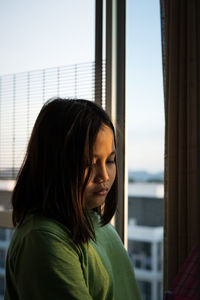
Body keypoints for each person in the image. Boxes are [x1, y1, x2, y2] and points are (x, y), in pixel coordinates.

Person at [5, 98, 141, 300]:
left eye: (110, 160)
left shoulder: (90, 217)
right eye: (88, 164)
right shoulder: (42, 240)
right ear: (54, 165)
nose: (104, 175)